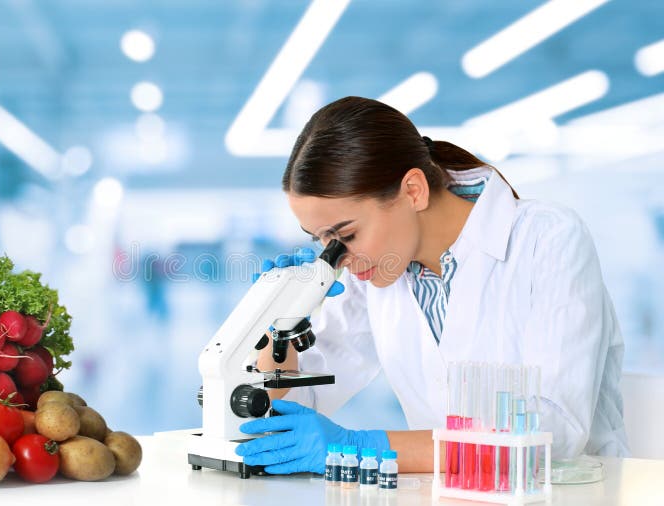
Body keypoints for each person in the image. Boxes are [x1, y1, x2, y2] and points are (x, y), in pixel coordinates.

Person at [234, 96, 629, 475]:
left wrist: (364, 447)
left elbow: (554, 433)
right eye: (318, 239)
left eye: (345, 235)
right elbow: (301, 403)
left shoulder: (548, 239)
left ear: (413, 191)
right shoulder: (377, 273)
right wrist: (278, 325)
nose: (336, 258)